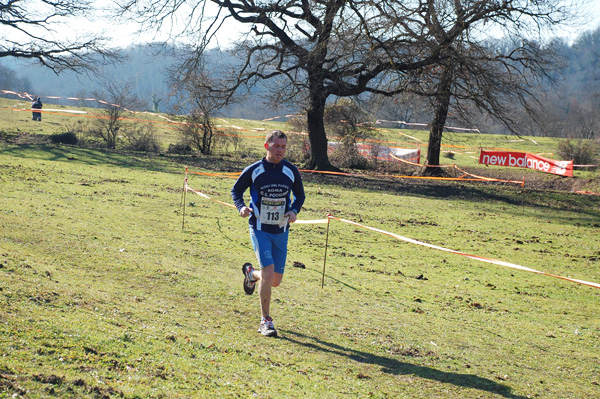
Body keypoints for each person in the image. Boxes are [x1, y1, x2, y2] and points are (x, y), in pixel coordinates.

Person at [231, 130, 305, 337]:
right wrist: (241, 207)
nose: (280, 150)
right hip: (260, 228)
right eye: (276, 146)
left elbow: (300, 195)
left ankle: (251, 274)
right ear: (267, 146)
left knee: (274, 280)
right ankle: (266, 321)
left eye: (283, 147)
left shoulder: (291, 170)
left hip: (281, 230)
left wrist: (294, 211)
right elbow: (236, 191)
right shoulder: (254, 170)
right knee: (269, 271)